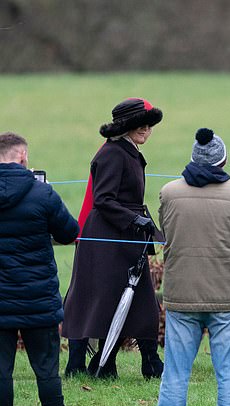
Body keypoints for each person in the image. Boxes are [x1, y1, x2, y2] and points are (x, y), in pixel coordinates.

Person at [156, 128, 230, 406]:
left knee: (174, 375)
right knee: (228, 379)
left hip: (182, 295)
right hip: (227, 297)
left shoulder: (169, 193)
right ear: (223, 161)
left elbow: (168, 235)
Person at [62, 98, 164, 379]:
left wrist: (137, 221)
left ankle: (149, 362)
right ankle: (80, 365)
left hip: (125, 235)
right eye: (140, 125)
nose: (146, 130)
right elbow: (103, 200)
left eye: (149, 125)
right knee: (97, 299)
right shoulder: (112, 154)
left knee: (141, 300)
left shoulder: (127, 151)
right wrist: (134, 219)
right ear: (125, 128)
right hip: (107, 237)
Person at [0, 132, 79, 406]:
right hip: (38, 299)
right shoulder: (41, 192)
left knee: (1, 372)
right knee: (46, 369)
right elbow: (70, 232)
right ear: (22, 157)